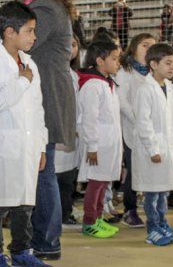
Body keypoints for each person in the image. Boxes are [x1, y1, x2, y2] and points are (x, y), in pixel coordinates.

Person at [0, 1, 54, 267]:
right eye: (30, 31)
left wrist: (41, 143)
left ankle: (21, 250)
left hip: (29, 143)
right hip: (3, 143)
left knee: (25, 200)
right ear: (10, 32)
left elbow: (38, 107)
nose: (34, 37)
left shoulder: (29, 62)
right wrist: (21, 82)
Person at [19, 0, 76, 260]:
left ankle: (45, 240)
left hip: (47, 98)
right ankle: (45, 239)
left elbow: (19, 42)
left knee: (42, 171)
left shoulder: (45, 9)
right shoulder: (46, 6)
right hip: (47, 95)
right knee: (43, 170)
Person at [131, 43, 173, 246]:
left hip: (169, 149)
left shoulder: (171, 88)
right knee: (152, 193)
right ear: (153, 64)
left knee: (164, 192)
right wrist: (153, 149)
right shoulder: (145, 90)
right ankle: (153, 228)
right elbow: (143, 123)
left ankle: (163, 225)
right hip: (152, 151)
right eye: (168, 63)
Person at [76, 40, 122, 239]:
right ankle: (89, 221)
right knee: (95, 184)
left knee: (103, 182)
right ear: (100, 61)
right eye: (114, 58)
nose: (118, 62)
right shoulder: (93, 85)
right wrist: (92, 146)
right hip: (98, 144)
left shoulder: (107, 83)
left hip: (109, 144)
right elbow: (89, 118)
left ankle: (99, 218)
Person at [116, 33, 156, 228]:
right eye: (144, 45)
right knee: (133, 171)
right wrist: (139, 120)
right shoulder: (125, 71)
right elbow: (122, 101)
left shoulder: (153, 73)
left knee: (150, 169)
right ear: (134, 48)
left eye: (152, 46)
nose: (149, 49)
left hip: (152, 129)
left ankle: (152, 209)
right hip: (132, 128)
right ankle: (129, 210)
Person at [56, 34, 82, 227]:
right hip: (58, 133)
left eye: (74, 45)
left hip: (72, 134)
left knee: (68, 180)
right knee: (55, 180)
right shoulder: (52, 71)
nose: (70, 49)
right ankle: (57, 216)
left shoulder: (74, 75)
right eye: (67, 44)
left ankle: (66, 213)